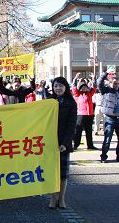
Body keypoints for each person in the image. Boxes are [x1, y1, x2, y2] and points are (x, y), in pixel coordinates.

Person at [48, 77, 77, 209]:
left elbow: (72, 126)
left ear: (65, 87)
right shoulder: (49, 102)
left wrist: (65, 143)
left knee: (63, 173)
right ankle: (53, 198)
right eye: (55, 86)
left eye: (60, 85)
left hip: (64, 143)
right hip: (49, 142)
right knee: (51, 172)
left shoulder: (71, 103)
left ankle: (62, 199)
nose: (58, 88)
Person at [98, 67, 119, 163]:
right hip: (110, 118)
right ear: (109, 83)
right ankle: (103, 157)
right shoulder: (105, 90)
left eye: (117, 83)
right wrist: (106, 73)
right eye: (114, 83)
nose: (116, 85)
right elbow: (99, 83)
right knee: (107, 139)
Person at [71, 73, 97, 150]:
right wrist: (75, 78)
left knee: (89, 131)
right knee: (78, 130)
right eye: (83, 87)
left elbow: (94, 87)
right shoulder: (78, 94)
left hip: (90, 114)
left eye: (85, 87)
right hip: (81, 115)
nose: (84, 89)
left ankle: (90, 145)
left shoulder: (90, 94)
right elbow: (74, 87)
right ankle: (76, 144)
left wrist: (93, 79)